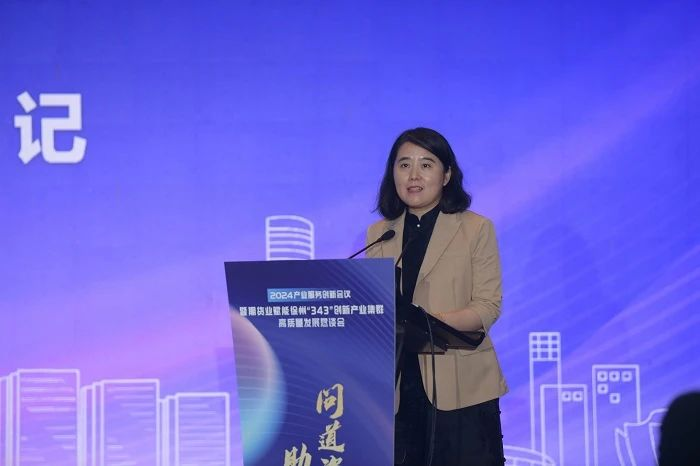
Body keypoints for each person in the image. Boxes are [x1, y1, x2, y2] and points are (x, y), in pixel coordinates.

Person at [366, 127, 507, 466]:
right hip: (398, 389)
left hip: (461, 389)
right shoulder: (379, 234)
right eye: (404, 165)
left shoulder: (476, 228)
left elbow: (487, 306)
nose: (414, 175)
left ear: (447, 175)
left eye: (426, 165)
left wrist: (426, 324)